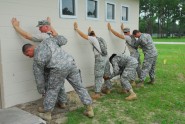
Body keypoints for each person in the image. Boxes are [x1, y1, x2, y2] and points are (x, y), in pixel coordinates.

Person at [22, 35, 94, 121]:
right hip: (71, 63)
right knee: (79, 87)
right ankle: (89, 109)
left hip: (58, 68)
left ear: (30, 49)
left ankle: (47, 113)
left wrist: (41, 90)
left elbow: (39, 78)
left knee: (52, 90)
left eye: (27, 54)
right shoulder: (48, 41)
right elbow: (64, 40)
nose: (29, 57)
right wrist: (55, 33)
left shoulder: (37, 59)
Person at [12, 17, 68, 108]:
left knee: (48, 84)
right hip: (59, 64)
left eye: (40, 27)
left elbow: (27, 36)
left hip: (50, 65)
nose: (39, 29)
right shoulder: (54, 36)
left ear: (46, 27)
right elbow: (57, 35)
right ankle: (63, 102)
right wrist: (50, 25)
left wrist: (16, 27)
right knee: (59, 82)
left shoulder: (44, 36)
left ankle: (48, 106)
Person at [74, 22, 112, 100]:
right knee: (106, 74)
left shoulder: (92, 39)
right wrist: (90, 31)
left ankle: (97, 93)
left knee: (98, 76)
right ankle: (108, 89)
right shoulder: (101, 39)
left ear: (90, 36)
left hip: (99, 59)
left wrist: (77, 29)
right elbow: (90, 36)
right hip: (106, 57)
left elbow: (84, 36)